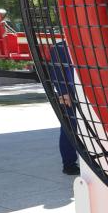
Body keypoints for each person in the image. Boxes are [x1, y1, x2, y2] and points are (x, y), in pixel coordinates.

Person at [48, 40, 79, 176]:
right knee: (69, 128)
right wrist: (63, 92)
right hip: (70, 95)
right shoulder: (60, 47)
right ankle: (69, 164)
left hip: (86, 94)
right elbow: (56, 71)